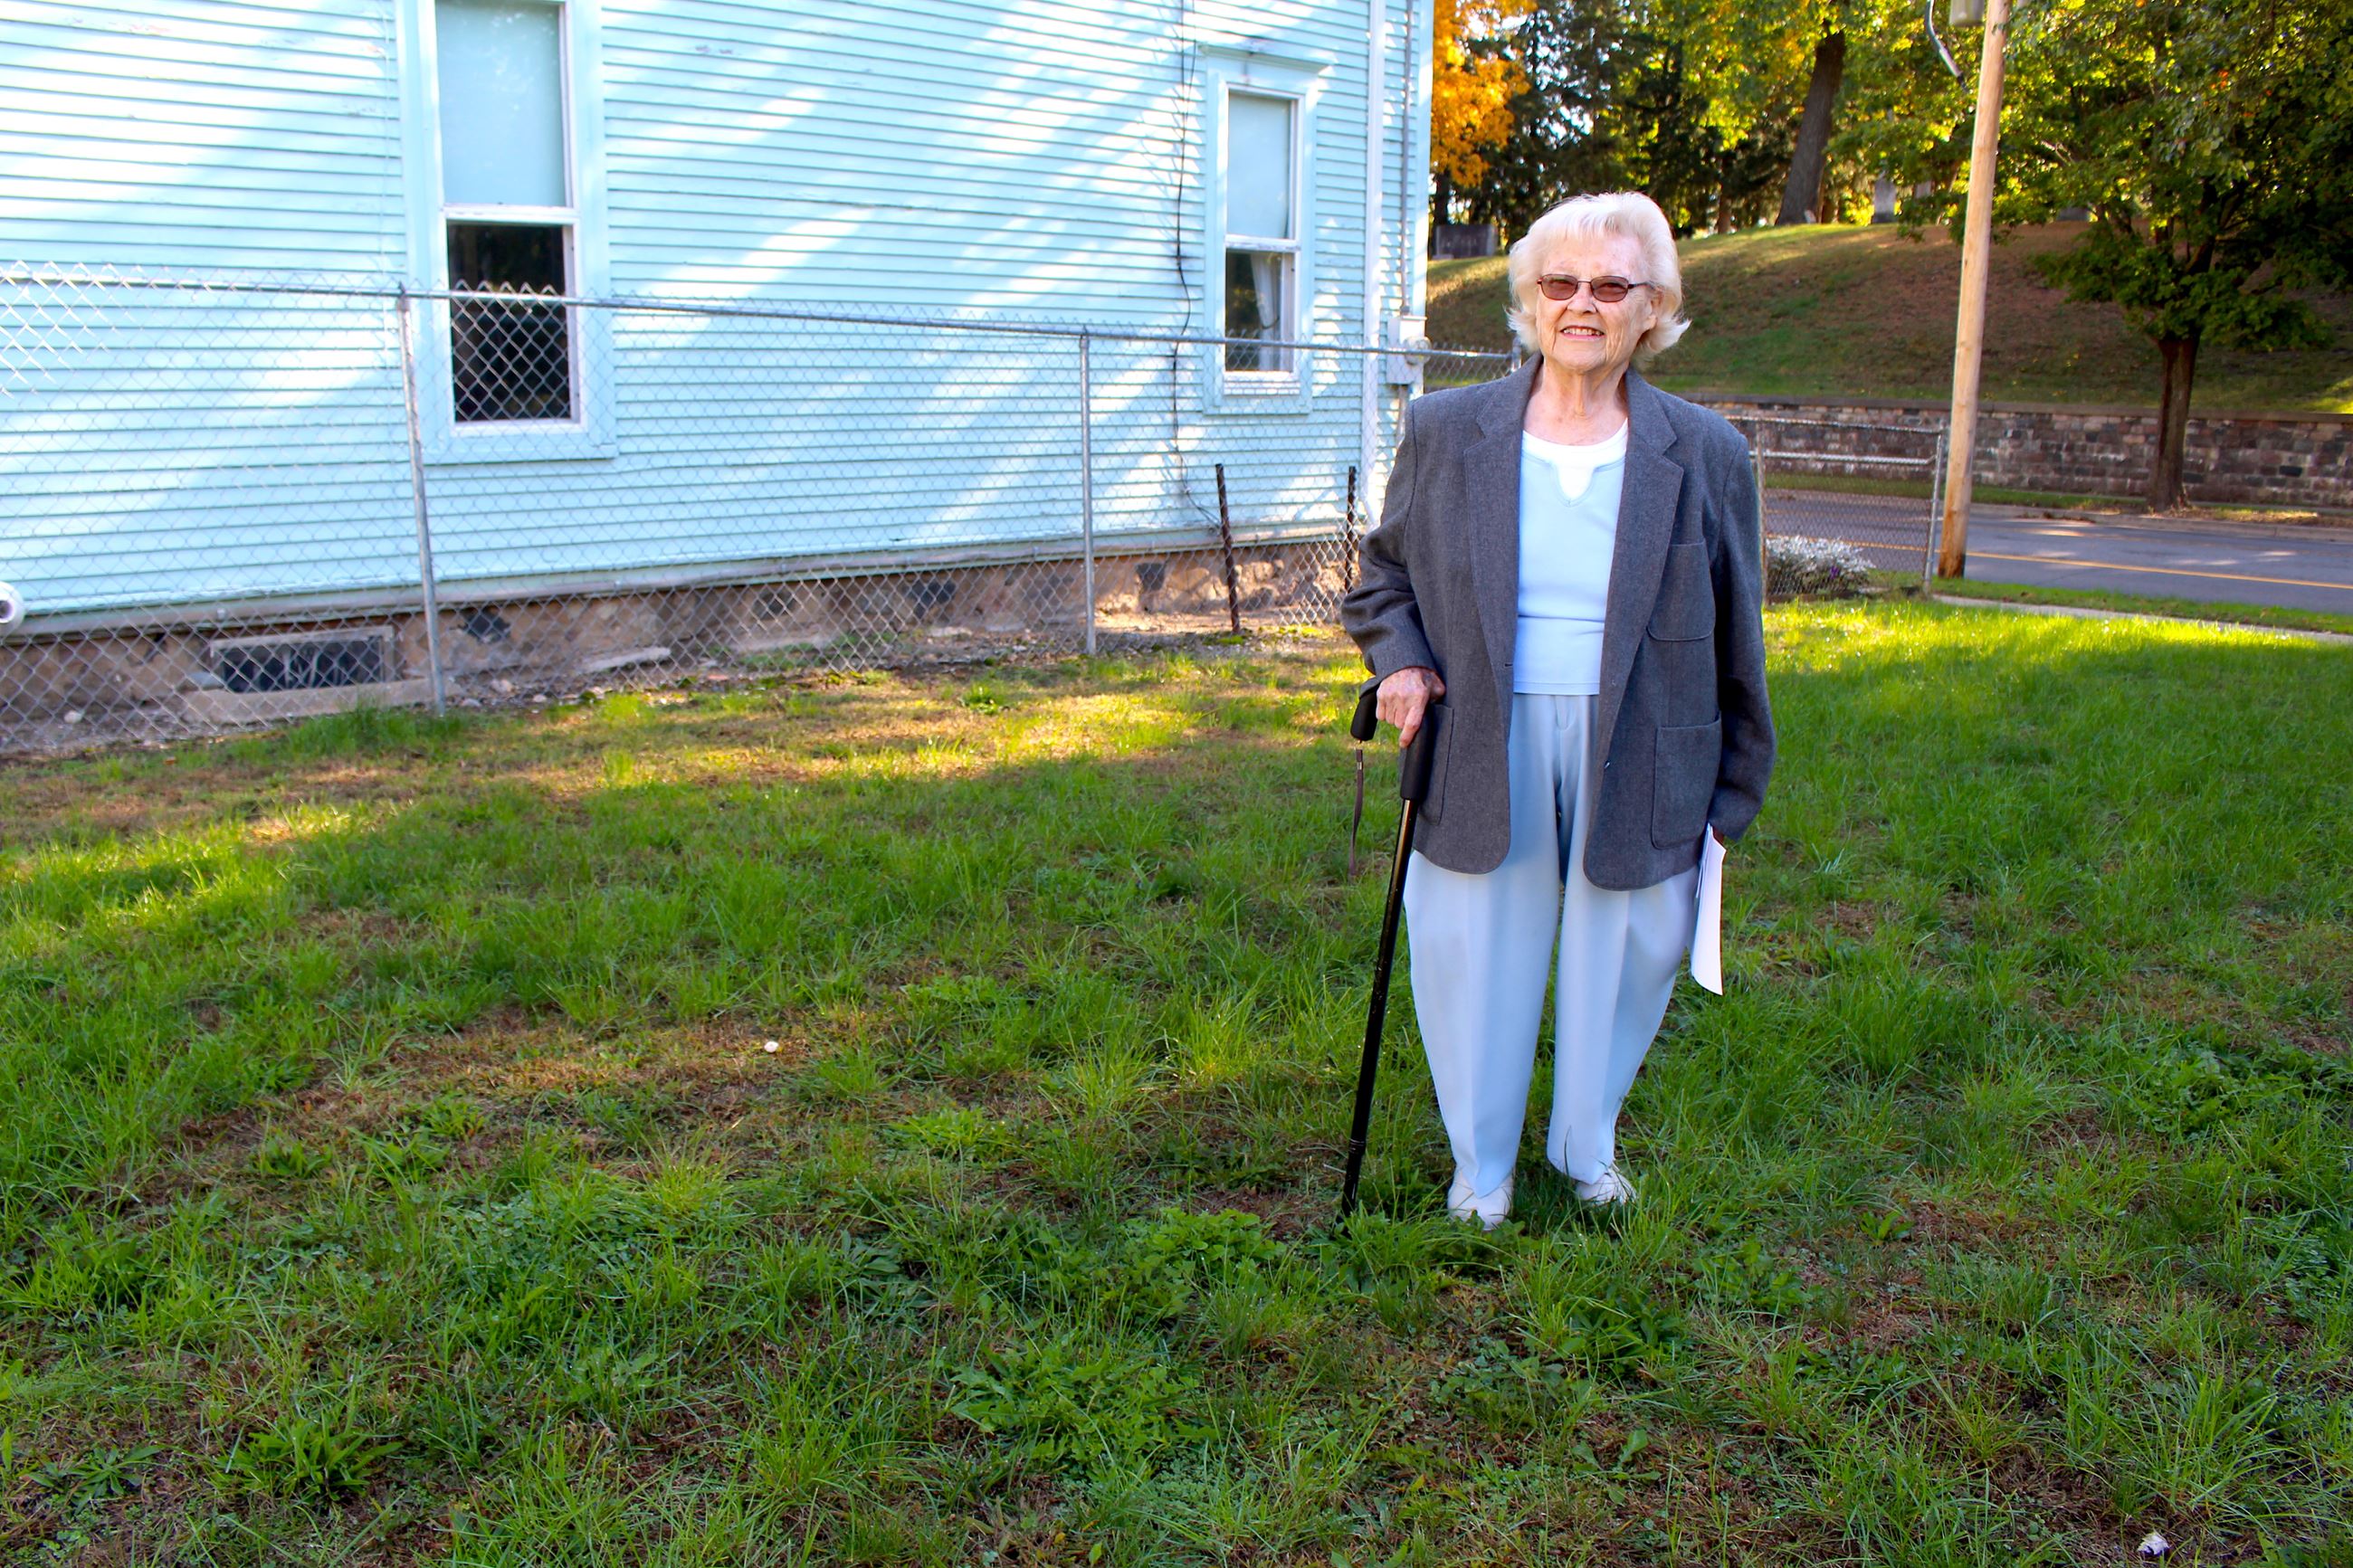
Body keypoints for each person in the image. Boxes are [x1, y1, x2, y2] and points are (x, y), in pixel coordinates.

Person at [1340, 191, 1774, 1227]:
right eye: (1559, 284)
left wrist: (1733, 783)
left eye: (1610, 285)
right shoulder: (1448, 430)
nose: (1582, 304)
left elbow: (1738, 626)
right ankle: (1479, 1167)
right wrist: (1398, 662)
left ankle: (1585, 1146)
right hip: (1486, 726)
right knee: (1472, 944)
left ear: (1651, 306)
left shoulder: (1705, 449)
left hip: (1644, 736)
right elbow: (1380, 579)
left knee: (1623, 949)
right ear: (1530, 303)